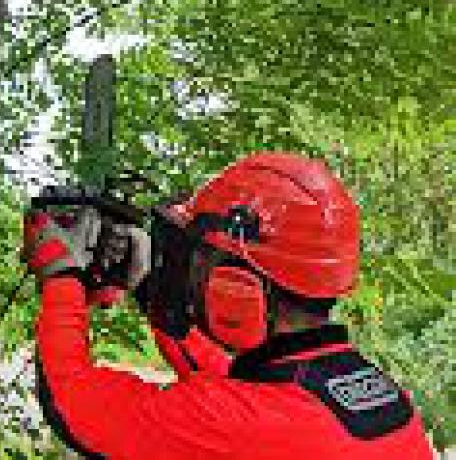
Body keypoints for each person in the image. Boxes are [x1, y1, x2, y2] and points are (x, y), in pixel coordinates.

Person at [22, 151, 435, 459]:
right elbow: (236, 390)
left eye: (200, 259)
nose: (188, 273)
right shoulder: (377, 398)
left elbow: (74, 404)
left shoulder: (238, 423)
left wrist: (62, 276)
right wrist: (149, 286)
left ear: (240, 284)